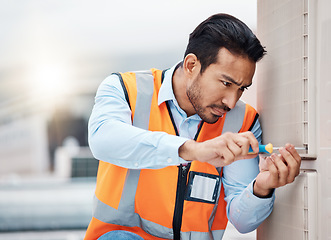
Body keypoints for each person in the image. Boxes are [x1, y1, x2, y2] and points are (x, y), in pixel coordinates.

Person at [84, 13, 301, 240]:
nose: (231, 101)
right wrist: (194, 150)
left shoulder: (243, 120)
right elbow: (102, 139)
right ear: (191, 65)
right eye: (226, 83)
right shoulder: (125, 89)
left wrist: (261, 188)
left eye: (241, 88)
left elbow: (243, 221)